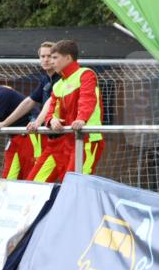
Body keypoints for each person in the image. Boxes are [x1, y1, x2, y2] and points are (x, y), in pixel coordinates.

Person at [26, 39, 104, 183]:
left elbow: (87, 99)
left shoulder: (86, 74)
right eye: (46, 57)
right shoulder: (58, 85)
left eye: (55, 57)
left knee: (74, 186)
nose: (50, 61)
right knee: (34, 184)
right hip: (63, 142)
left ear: (68, 58)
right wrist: (51, 120)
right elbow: (51, 110)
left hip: (86, 140)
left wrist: (81, 119)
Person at [0, 41, 60, 169]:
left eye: (49, 56)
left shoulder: (62, 78)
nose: (46, 60)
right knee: (37, 179)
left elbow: (50, 103)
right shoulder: (45, 79)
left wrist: (37, 122)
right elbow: (29, 101)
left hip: (65, 136)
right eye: (42, 56)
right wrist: (4, 123)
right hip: (51, 137)